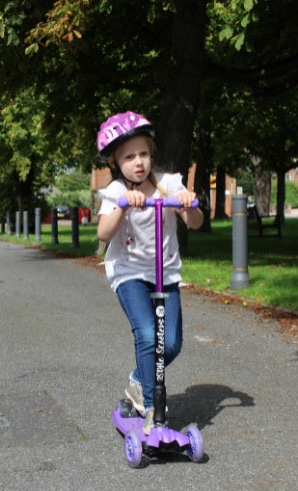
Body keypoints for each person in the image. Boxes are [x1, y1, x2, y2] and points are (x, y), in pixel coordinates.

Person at [96, 111, 204, 434]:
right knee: (146, 334)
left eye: (143, 153)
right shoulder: (115, 191)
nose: (138, 162)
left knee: (170, 343)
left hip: (164, 274)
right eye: (129, 156)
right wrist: (123, 205)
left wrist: (187, 204)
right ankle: (152, 403)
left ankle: (137, 380)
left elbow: (195, 224)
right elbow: (103, 233)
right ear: (116, 161)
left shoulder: (169, 184)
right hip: (129, 273)